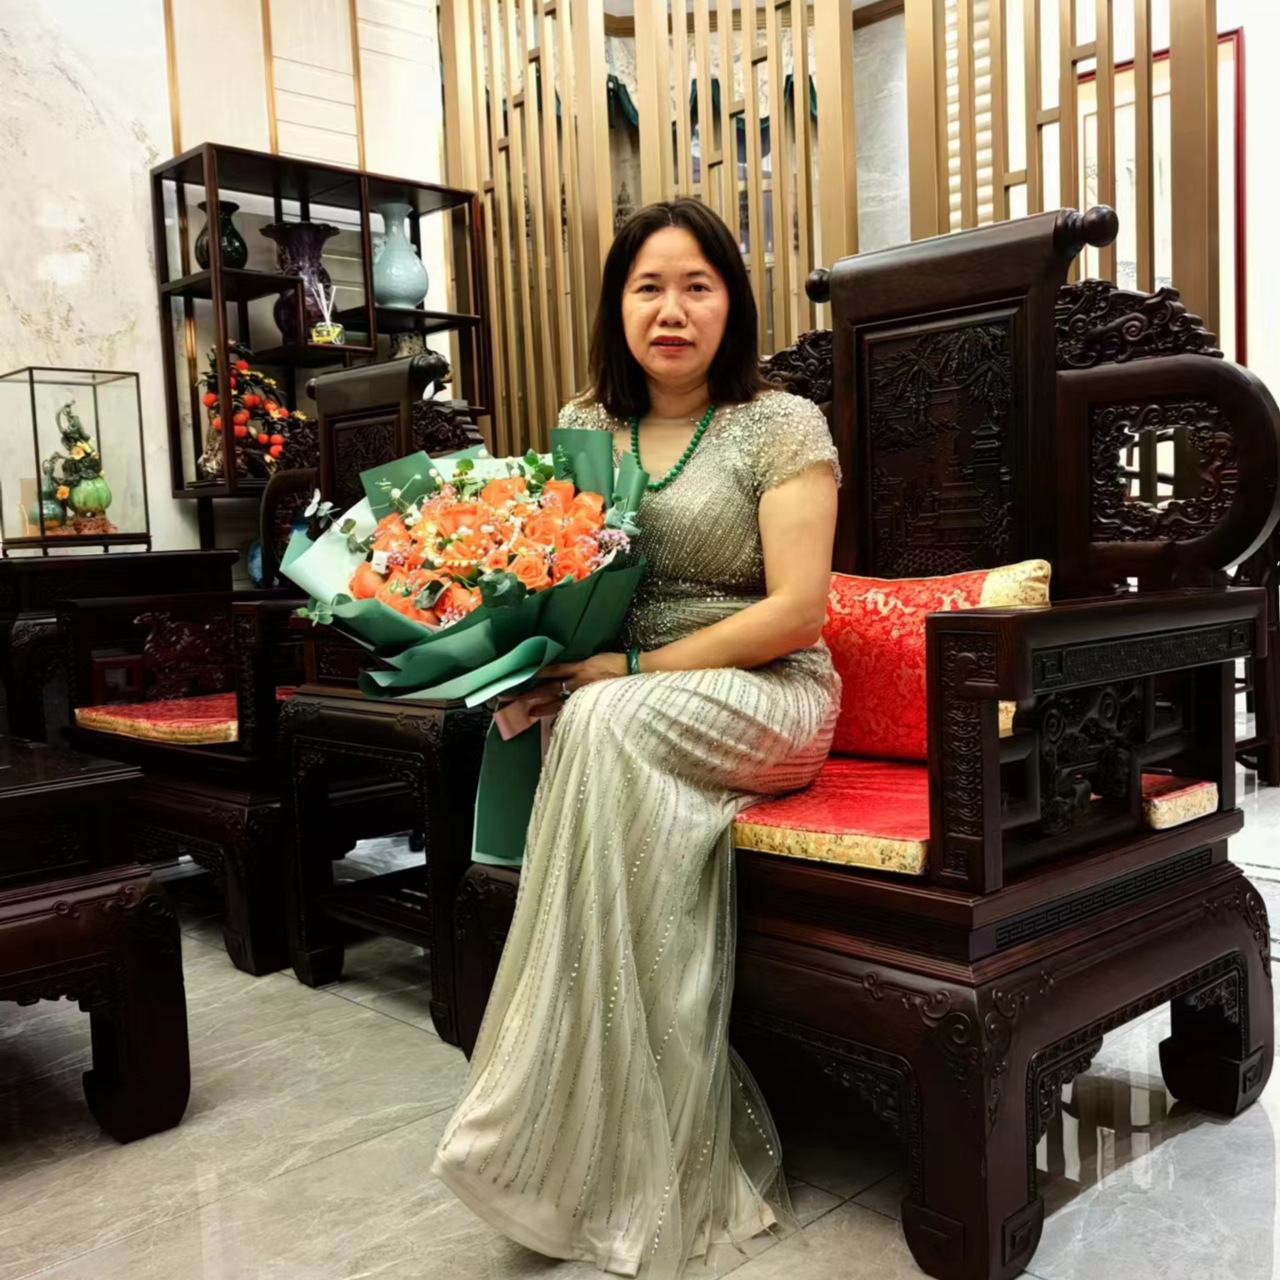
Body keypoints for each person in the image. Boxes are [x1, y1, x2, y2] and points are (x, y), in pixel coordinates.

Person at [432, 198, 841, 1278]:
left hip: (767, 692)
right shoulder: (585, 426)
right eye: (648, 287)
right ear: (616, 306)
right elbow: (556, 579)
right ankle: (585, 1138)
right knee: (576, 721)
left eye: (696, 286)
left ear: (730, 303)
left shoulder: (781, 424)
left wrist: (628, 672)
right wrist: (525, 659)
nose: (672, 309)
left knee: (600, 717)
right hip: (620, 705)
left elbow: (798, 611)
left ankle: (559, 1128)